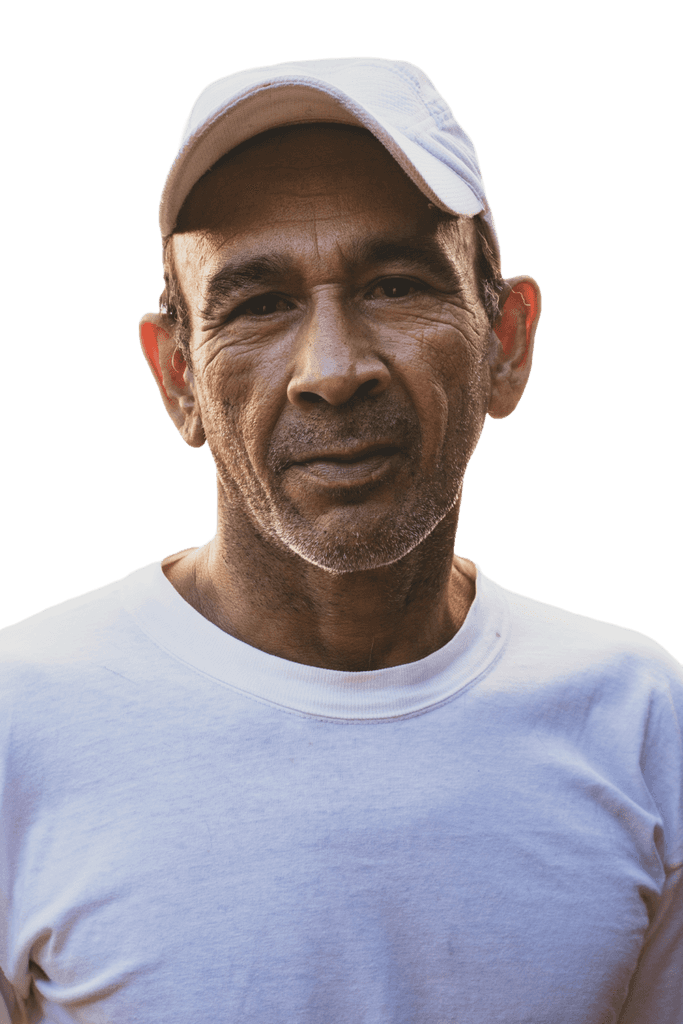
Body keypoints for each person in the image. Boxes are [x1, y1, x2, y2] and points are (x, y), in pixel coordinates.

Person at [0, 57, 680, 1024]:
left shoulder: (639, 717)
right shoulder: (19, 719)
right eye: (258, 304)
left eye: (397, 285)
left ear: (505, 342)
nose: (331, 370)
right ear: (178, 378)